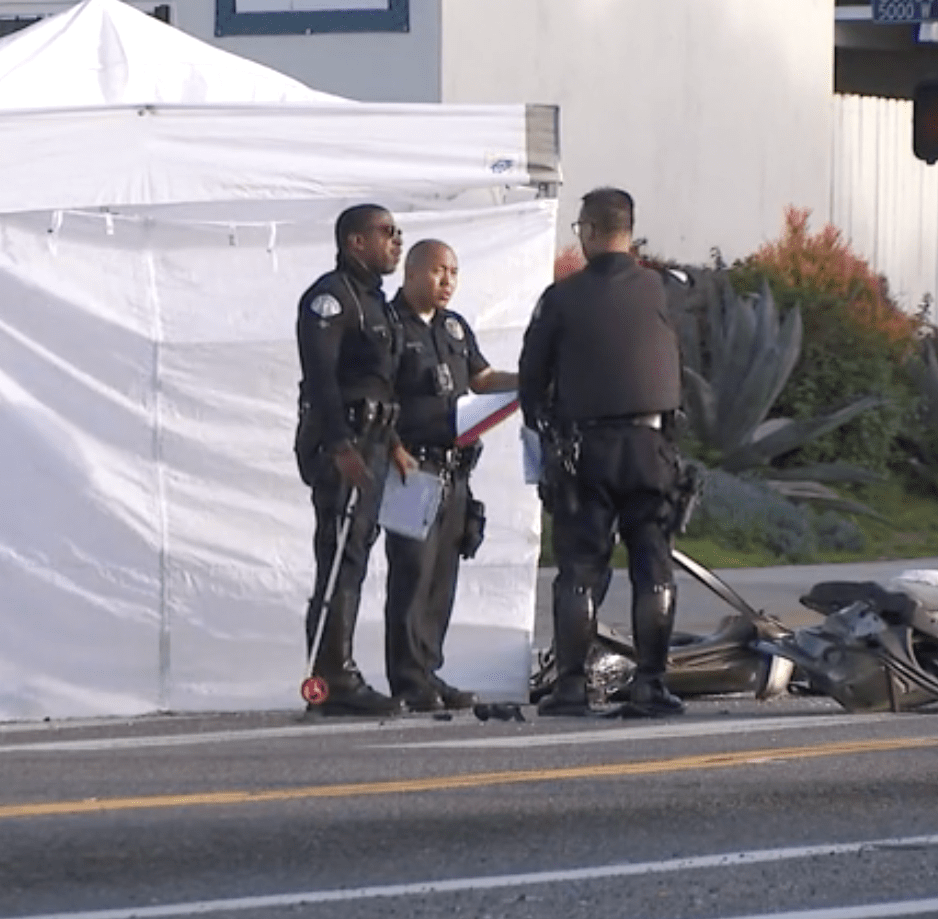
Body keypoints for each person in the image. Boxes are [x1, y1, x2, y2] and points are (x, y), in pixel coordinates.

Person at [520, 187, 687, 719]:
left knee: (579, 569)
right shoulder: (663, 290)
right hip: (649, 445)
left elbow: (531, 378)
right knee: (653, 566)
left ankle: (571, 686)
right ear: (629, 231)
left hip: (585, 448)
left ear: (589, 231)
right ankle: (650, 685)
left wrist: (544, 430)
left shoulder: (561, 298)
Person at [383, 240, 517, 712]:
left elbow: (481, 379)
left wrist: (526, 381)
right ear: (413, 272)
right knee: (411, 574)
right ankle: (407, 678)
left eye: (455, 273)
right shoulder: (389, 325)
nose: (447, 282)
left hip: (454, 471)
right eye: (439, 271)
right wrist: (392, 448)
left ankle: (430, 672)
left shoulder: (455, 328)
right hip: (411, 467)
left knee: (442, 575)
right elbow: (374, 395)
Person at [293, 204, 407, 717]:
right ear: (354, 243)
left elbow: (382, 380)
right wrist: (340, 447)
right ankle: (332, 679)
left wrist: (396, 443)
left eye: (398, 233)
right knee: (338, 558)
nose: (396, 241)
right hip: (346, 443)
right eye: (386, 233)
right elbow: (320, 380)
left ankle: (338, 670)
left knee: (354, 557)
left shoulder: (375, 302)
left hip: (376, 441)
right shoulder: (331, 299)